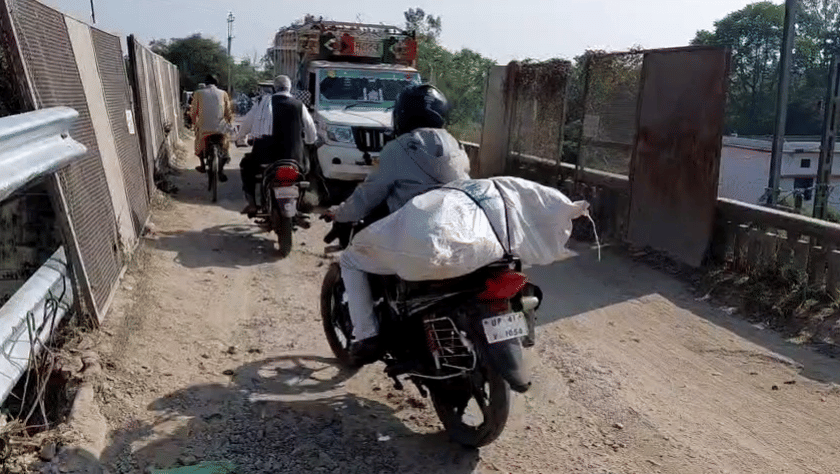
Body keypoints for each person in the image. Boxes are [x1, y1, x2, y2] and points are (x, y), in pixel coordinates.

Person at [325, 84, 470, 364]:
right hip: (456, 234)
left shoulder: (397, 148)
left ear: (401, 114)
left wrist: (340, 214)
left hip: (414, 239)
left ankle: (367, 336)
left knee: (352, 260)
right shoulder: (456, 145)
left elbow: (369, 195)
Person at [235, 75, 317, 215]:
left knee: (246, 166)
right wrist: (309, 142)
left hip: (264, 158)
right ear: (290, 88)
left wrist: (240, 138)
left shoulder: (263, 104)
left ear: (274, 88)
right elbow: (311, 131)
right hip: (294, 158)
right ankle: (303, 199)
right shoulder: (299, 105)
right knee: (308, 168)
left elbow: (247, 124)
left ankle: (253, 204)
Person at [189, 74, 233, 181]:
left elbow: (193, 112)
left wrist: (194, 124)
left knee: (199, 144)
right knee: (224, 146)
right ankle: (221, 170)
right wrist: (229, 122)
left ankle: (202, 165)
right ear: (216, 84)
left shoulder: (198, 93)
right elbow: (228, 111)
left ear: (205, 83)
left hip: (204, 129)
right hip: (220, 129)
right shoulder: (223, 93)